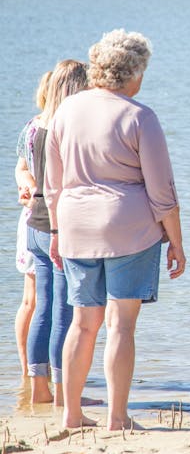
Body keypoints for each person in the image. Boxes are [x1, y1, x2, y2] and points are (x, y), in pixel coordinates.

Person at [44, 29, 186, 430]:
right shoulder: (140, 116)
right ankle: (117, 417)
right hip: (129, 229)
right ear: (135, 72)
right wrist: (176, 242)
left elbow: (52, 184)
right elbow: (163, 193)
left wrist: (56, 232)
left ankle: (71, 414)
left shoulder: (65, 112)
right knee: (120, 325)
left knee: (82, 323)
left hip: (74, 226)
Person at [24, 61, 90, 404]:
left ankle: (39, 389)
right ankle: (66, 394)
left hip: (33, 223)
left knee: (44, 307)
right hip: (56, 226)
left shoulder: (37, 126)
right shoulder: (67, 130)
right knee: (64, 310)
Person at [14, 71, 50, 377]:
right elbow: (20, 169)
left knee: (36, 299)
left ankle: (35, 369)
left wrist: (27, 185)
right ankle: (30, 369)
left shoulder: (32, 126)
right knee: (32, 299)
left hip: (32, 214)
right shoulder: (39, 127)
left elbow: (20, 169)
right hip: (37, 217)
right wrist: (30, 186)